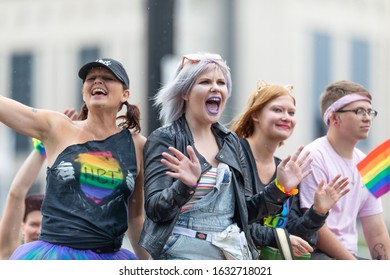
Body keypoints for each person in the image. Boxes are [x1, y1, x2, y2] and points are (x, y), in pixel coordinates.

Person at [138, 53, 313, 260]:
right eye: (205, 82)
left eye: (221, 82)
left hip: (231, 252)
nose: (215, 87)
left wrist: (280, 188)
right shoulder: (165, 138)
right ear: (185, 92)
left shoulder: (230, 141)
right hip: (180, 251)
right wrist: (184, 187)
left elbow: (244, 214)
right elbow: (155, 210)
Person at [0, 58, 148, 260]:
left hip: (110, 258)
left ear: (125, 94)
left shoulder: (139, 145)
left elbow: (136, 216)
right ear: (84, 92)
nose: (97, 82)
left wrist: (148, 265)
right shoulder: (59, 127)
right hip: (55, 257)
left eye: (107, 78)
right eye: (91, 78)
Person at [230, 80, 350, 259]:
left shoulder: (287, 169)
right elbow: (231, 220)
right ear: (255, 115)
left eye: (291, 112)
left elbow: (295, 236)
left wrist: (317, 212)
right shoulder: (234, 153)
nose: (286, 117)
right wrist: (280, 239)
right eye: (277, 110)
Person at [299, 80, 390, 260]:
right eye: (359, 111)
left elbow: (376, 229)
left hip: (350, 257)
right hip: (317, 255)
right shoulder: (313, 156)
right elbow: (315, 228)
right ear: (334, 118)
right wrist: (353, 266)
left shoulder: (369, 163)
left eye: (369, 111)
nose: (367, 117)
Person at [0, 108, 78, 260]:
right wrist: (45, 145)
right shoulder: (11, 253)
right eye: (34, 224)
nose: (40, 230)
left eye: (46, 224)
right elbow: (17, 193)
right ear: (22, 228)